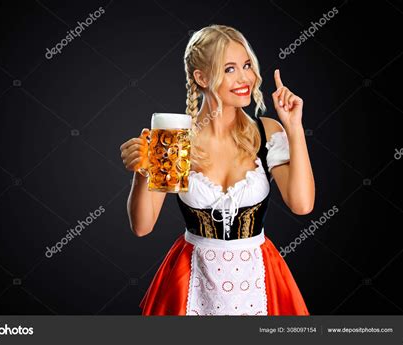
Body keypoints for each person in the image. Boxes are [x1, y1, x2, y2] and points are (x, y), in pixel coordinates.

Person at [120, 24, 315, 315]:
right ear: (201, 77)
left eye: (247, 65)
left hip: (257, 278)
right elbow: (142, 226)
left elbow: (302, 205)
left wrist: (294, 127)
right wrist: (142, 171)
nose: (245, 78)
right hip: (193, 279)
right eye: (229, 69)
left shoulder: (266, 131)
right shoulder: (177, 140)